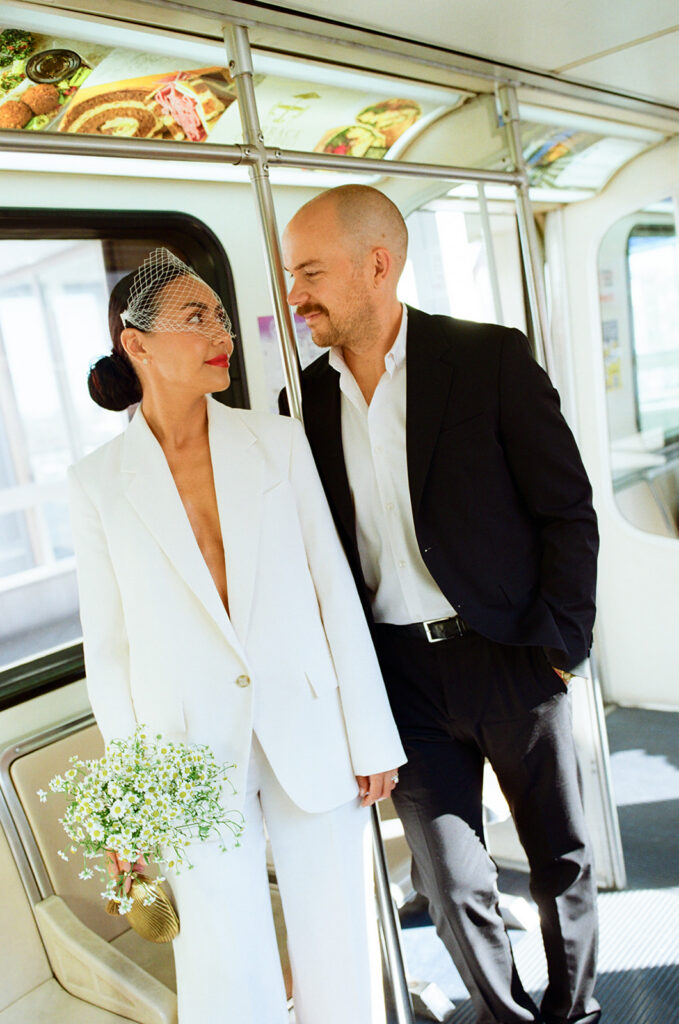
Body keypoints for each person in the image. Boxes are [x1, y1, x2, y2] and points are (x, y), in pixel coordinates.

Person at [280, 185, 601, 1024]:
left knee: (557, 856)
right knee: (453, 881)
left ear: (376, 264)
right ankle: (507, 1018)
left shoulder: (487, 359)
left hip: (510, 653)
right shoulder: (299, 407)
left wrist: (560, 644)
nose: (293, 294)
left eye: (309, 272)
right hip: (401, 679)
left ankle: (574, 1013)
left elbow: (565, 510)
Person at [68, 247, 405, 1024]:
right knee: (221, 952)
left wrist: (371, 737)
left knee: (338, 937)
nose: (219, 330)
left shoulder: (276, 443)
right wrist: (132, 801)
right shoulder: (96, 484)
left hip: (311, 725)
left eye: (220, 314)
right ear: (137, 344)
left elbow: (332, 594)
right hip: (182, 752)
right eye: (196, 316)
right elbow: (109, 649)